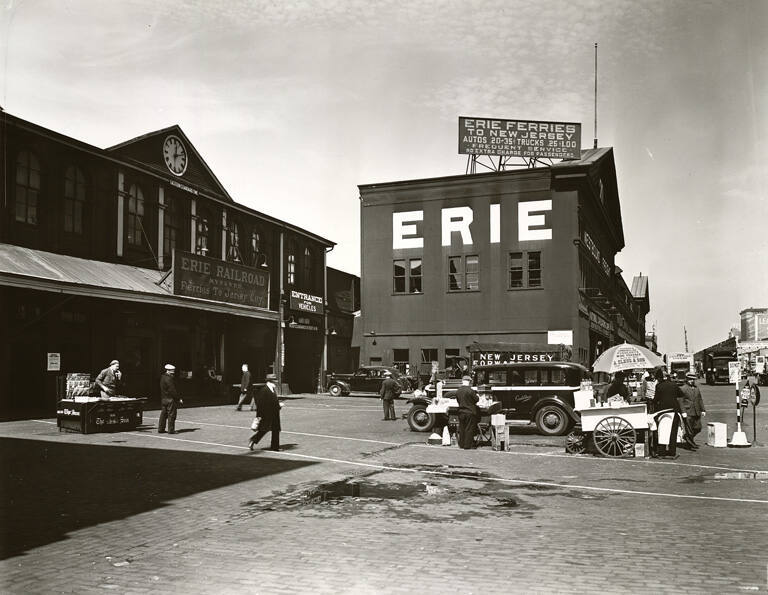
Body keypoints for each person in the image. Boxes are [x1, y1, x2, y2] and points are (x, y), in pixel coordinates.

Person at [651, 368, 687, 458]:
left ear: (659, 378)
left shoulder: (659, 386)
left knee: (662, 432)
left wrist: (652, 400)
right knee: (673, 432)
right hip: (674, 411)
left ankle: (662, 452)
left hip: (663, 412)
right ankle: (672, 451)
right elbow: (681, 394)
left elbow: (656, 399)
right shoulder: (674, 385)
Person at [249, 373, 281, 451]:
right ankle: (253, 440)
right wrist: (259, 415)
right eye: (274, 381)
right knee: (264, 429)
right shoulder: (264, 390)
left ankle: (275, 447)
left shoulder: (272, 389)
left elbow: (274, 402)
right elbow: (261, 404)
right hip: (266, 414)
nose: (276, 383)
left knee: (276, 430)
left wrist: (278, 405)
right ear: (270, 382)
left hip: (274, 413)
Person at [679, 372, 706, 445]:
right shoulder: (683, 388)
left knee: (698, 428)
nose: (692, 381)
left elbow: (699, 399)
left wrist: (703, 409)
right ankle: (690, 443)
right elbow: (680, 401)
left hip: (696, 411)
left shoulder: (696, 388)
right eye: (690, 379)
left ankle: (687, 437)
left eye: (693, 379)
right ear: (686, 379)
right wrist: (683, 411)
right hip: (688, 411)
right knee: (689, 429)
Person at [455, 375, 479, 449]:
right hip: (470, 412)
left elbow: (458, 400)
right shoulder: (470, 390)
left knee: (462, 428)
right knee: (469, 429)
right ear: (469, 382)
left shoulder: (458, 391)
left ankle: (461, 444)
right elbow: (476, 400)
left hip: (461, 411)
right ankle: (467, 445)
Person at [158, 364, 182, 434]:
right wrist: (178, 398)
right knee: (171, 414)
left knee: (163, 414)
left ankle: (161, 428)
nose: (173, 373)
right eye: (172, 372)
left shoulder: (162, 377)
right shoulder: (169, 379)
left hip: (163, 398)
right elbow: (172, 390)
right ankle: (171, 430)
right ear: (168, 371)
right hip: (170, 399)